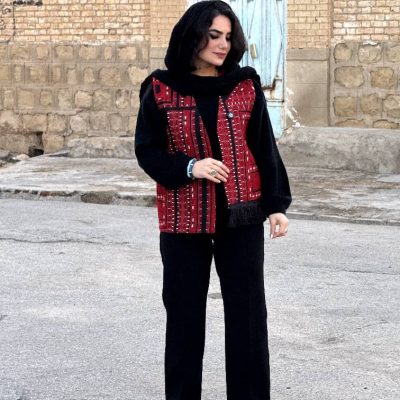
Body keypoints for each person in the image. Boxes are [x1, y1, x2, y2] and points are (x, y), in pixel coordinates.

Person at [135, 1, 291, 399]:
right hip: (183, 222)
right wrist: (191, 167)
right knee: (184, 320)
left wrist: (275, 204)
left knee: (248, 319)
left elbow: (263, 146)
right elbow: (147, 151)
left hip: (242, 219)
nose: (223, 44)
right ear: (193, 36)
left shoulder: (245, 85)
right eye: (214, 35)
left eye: (228, 37)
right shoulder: (159, 88)